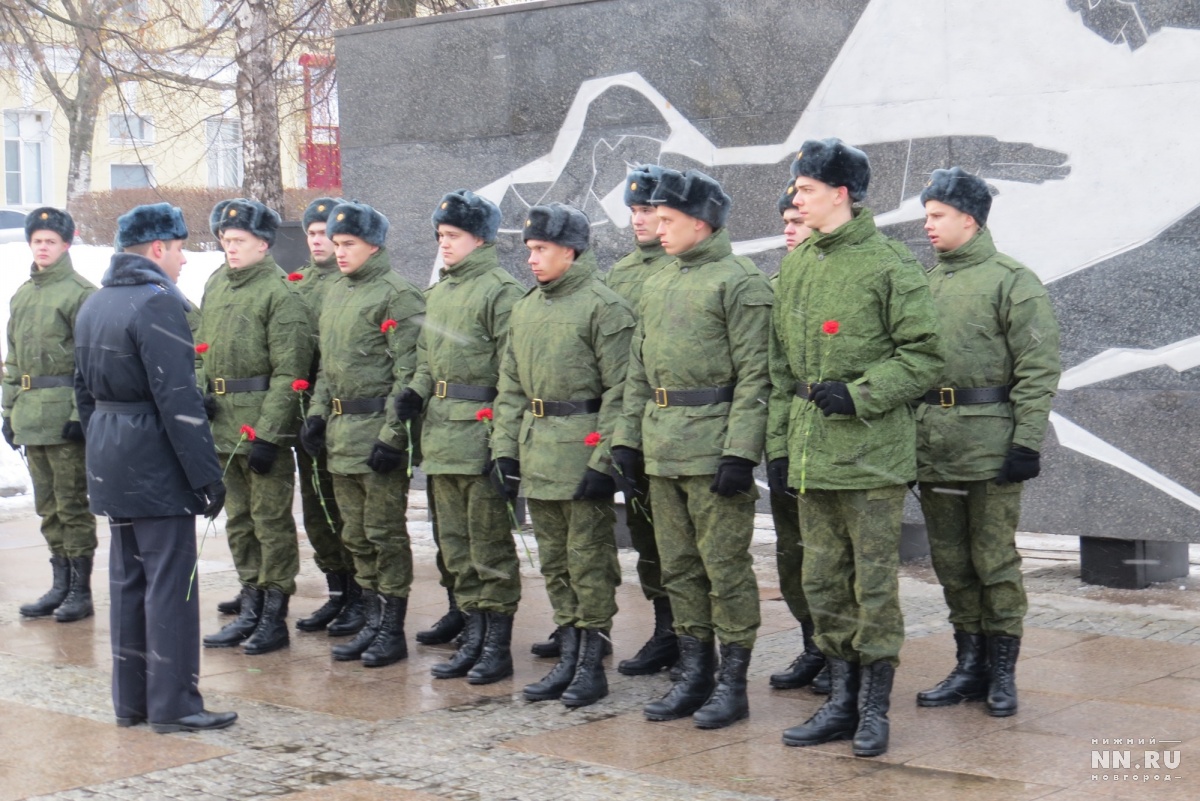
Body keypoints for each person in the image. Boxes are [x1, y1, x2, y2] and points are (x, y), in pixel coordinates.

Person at [770, 139, 942, 757]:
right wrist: (780, 446)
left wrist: (862, 393)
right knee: (823, 581)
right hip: (813, 454)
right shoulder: (796, 265)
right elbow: (777, 368)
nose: (797, 199)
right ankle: (839, 700)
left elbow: (924, 356)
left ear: (840, 193)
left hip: (870, 457)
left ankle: (873, 708)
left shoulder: (890, 266)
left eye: (807, 189)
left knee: (872, 585)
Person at [613, 168, 773, 730]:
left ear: (701, 224)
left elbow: (757, 376)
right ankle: (695, 672)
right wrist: (627, 440)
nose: (656, 226)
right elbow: (637, 372)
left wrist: (739, 454)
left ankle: (733, 683)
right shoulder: (658, 282)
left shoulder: (740, 282)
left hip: (712, 452)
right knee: (679, 567)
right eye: (654, 217)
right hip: (662, 448)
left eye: (668, 219)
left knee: (724, 568)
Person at [74, 202, 235, 733]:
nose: (185, 260)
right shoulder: (157, 304)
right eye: (181, 248)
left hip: (112, 457)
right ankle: (174, 705)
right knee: (171, 585)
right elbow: (179, 400)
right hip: (155, 460)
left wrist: (103, 448)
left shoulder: (95, 304)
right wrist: (205, 474)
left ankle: (133, 703)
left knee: (128, 583)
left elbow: (84, 395)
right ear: (158, 248)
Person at [915, 167, 1061, 717]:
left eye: (937, 216)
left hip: (991, 446)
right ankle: (969, 663)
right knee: (950, 561)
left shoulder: (1011, 280)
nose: (927, 226)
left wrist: (1026, 442)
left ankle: (1002, 672)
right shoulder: (925, 284)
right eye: (926, 215)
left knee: (993, 560)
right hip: (935, 447)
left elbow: (1038, 366)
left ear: (969, 219)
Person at [493, 202, 634, 707]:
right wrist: (504, 452)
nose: (531, 259)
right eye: (529, 249)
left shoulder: (604, 307)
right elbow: (510, 387)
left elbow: (622, 390)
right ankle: (569, 654)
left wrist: (605, 463)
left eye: (542, 249)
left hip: (581, 454)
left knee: (588, 561)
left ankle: (591, 663)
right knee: (554, 562)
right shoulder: (526, 307)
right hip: (538, 453)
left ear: (570, 251)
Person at [394, 190, 525, 674]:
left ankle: (496, 645)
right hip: (443, 435)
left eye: (452, 236)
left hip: (481, 434)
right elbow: (428, 361)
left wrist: (503, 444)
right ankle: (473, 631)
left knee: (488, 545)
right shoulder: (440, 292)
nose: (443, 245)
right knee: (455, 545)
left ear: (481, 237)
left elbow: (513, 374)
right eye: (440, 236)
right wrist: (416, 391)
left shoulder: (500, 292)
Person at [300, 201, 424, 667]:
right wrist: (315, 415)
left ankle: (391, 628)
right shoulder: (335, 291)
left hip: (375, 433)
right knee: (355, 534)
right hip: (340, 434)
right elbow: (328, 370)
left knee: (384, 533)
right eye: (335, 244)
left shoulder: (398, 295)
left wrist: (393, 437)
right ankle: (371, 618)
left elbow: (409, 374)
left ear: (374, 245)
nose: (339, 252)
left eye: (348, 244)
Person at [199, 199, 312, 655]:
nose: (230, 248)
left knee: (270, 523)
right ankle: (250, 602)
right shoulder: (215, 285)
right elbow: (200, 347)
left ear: (263, 245)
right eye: (226, 240)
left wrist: (269, 434)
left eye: (239, 241)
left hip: (260, 429)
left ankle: (274, 613)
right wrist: (200, 391)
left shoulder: (280, 295)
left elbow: (291, 372)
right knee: (239, 522)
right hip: (223, 425)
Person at [601, 165, 678, 677]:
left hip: (680, 422)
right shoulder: (622, 273)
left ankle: (694, 636)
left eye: (649, 209)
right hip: (634, 421)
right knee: (647, 534)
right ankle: (664, 626)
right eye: (633, 210)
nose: (639, 219)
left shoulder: (685, 266)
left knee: (686, 542)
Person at [4, 207, 97, 623]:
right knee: (47, 507)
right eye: (37, 240)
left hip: (63, 418)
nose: (43, 247)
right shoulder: (23, 294)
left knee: (72, 504)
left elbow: (89, 363)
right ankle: (59, 583)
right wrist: (8, 409)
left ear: (66, 244)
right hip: (31, 416)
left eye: (50, 241)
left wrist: (80, 414)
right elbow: (13, 359)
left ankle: (80, 589)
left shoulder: (80, 293)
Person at [764, 181, 828, 695]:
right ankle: (813, 645)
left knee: (831, 556)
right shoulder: (776, 283)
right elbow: (773, 376)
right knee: (794, 554)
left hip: (831, 444)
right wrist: (776, 448)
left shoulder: (842, 282)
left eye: (797, 221)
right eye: (785, 221)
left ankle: (839, 653)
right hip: (786, 440)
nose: (788, 229)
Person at [288, 197, 361, 637]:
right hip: (307, 410)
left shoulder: (350, 282)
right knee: (317, 510)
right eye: (312, 234)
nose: (319, 242)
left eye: (326, 234)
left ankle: (359, 594)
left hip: (343, 409)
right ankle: (337, 593)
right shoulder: (297, 283)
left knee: (346, 509)